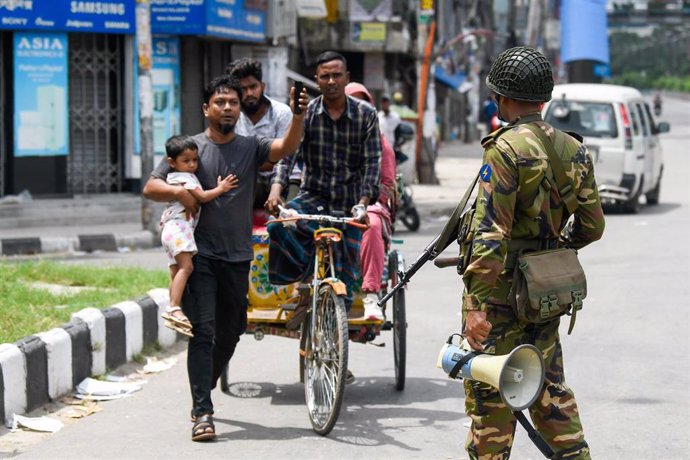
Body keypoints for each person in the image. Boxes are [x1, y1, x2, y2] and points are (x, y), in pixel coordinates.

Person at [143, 74, 307, 442]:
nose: (228, 107)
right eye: (221, 102)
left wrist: (297, 117)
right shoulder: (190, 149)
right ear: (206, 109)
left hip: (237, 255)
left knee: (232, 331)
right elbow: (151, 186)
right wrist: (178, 191)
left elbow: (284, 148)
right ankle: (203, 411)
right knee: (204, 331)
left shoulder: (251, 146)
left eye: (233, 102)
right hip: (199, 255)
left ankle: (204, 382)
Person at [459, 46, 605, 459]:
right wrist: (552, 253)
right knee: (548, 387)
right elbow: (593, 227)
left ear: (503, 98)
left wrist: (476, 307)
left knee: (491, 396)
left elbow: (490, 234)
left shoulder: (503, 150)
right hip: (544, 292)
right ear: (544, 98)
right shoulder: (574, 150)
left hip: (502, 294)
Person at [265, 51, 381, 323]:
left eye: (336, 75)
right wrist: (276, 190)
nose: (331, 81)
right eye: (325, 76)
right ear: (317, 80)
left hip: (350, 202)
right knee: (278, 226)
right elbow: (287, 154)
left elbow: (372, 162)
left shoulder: (366, 114)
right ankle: (305, 283)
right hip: (312, 198)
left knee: (346, 275)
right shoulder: (307, 115)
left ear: (347, 78)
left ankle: (335, 339)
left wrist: (363, 203)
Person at [159, 135, 238, 337]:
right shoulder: (183, 177)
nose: (192, 165)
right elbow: (202, 198)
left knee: (176, 271)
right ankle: (174, 307)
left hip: (171, 229)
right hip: (179, 228)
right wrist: (221, 189)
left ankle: (174, 310)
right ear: (171, 162)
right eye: (186, 161)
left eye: (195, 160)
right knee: (187, 267)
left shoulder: (176, 177)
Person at [345, 82, 397, 320]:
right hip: (334, 201)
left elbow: (386, 183)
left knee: (372, 224)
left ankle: (371, 295)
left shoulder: (379, 140)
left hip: (371, 204)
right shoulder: (329, 133)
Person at [224, 58, 297, 207]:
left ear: (262, 86)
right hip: (250, 179)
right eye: (243, 89)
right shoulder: (231, 115)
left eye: (253, 87)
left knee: (289, 217)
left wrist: (250, 161)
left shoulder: (281, 113)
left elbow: (284, 159)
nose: (249, 93)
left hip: (287, 178)